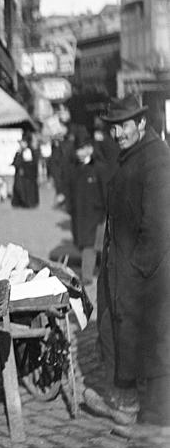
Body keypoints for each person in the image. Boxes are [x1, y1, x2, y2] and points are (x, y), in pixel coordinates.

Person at [84, 95, 170, 431]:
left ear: (141, 123)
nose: (118, 132)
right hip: (125, 266)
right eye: (114, 127)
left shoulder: (156, 160)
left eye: (124, 125)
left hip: (148, 271)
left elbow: (160, 225)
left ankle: (142, 408)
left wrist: (136, 269)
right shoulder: (133, 156)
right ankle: (127, 400)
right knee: (116, 329)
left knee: (153, 335)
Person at [65, 131, 108, 286]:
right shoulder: (74, 169)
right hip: (80, 214)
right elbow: (69, 190)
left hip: (97, 215)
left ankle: (87, 277)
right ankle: (93, 272)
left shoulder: (99, 168)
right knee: (85, 244)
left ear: (90, 148)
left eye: (82, 148)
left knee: (92, 246)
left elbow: (106, 193)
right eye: (77, 149)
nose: (79, 153)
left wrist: (105, 211)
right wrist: (69, 208)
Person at [11, 133, 39, 208]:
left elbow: (28, 163)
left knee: (26, 189)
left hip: (27, 175)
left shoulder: (28, 151)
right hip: (21, 174)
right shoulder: (21, 151)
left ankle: (27, 203)